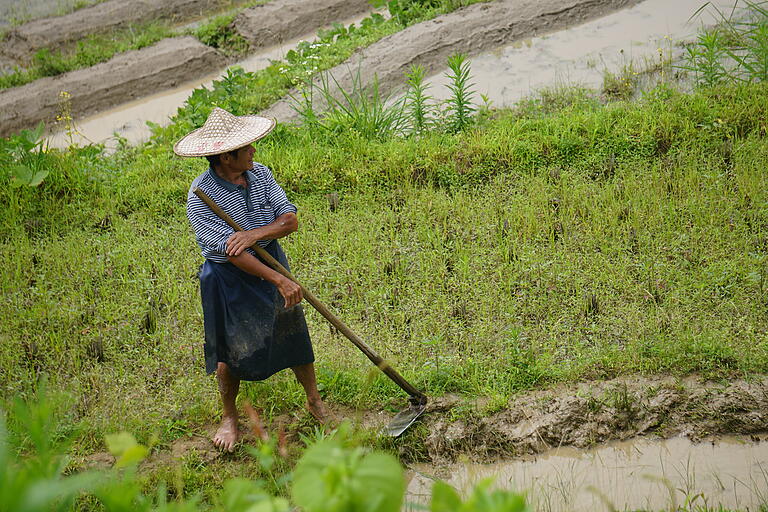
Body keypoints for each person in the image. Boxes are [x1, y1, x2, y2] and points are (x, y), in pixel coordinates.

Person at [175, 107, 329, 452]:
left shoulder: (260, 174)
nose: (254, 151)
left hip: (270, 257)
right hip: (227, 276)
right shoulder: (201, 196)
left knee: (293, 332)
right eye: (246, 148)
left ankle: (314, 400)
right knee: (227, 350)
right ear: (226, 157)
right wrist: (279, 280)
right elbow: (232, 253)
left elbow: (289, 221)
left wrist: (253, 235)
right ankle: (229, 416)